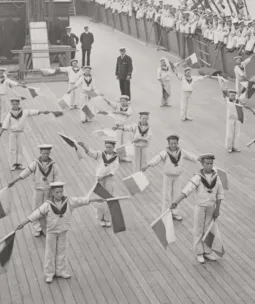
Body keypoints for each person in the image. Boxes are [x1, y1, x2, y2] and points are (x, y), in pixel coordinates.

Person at [16, 182, 105, 283]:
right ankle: (49, 274)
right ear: (52, 193)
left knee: (62, 251)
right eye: (57, 192)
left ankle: (61, 271)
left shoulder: (69, 201)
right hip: (51, 232)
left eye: (61, 192)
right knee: (50, 253)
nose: (60, 194)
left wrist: (93, 199)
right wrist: (24, 222)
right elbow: (36, 213)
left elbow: (80, 200)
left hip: (63, 231)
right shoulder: (48, 205)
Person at [171, 154, 224, 263]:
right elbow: (187, 190)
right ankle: (199, 252)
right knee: (198, 229)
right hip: (200, 206)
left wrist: (217, 209)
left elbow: (220, 194)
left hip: (211, 206)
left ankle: (207, 251)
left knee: (208, 229)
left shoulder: (216, 177)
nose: (209, 166)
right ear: (202, 164)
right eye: (207, 163)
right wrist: (176, 201)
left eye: (211, 163)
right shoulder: (198, 177)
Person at [142, 134, 198, 221]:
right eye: (171, 143)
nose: (173, 145)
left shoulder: (182, 152)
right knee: (166, 195)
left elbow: (191, 156)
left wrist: (199, 159)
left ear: (177, 143)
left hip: (177, 176)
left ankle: (175, 212)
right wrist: (148, 165)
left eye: (175, 143)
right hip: (167, 177)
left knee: (176, 195)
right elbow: (157, 159)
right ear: (168, 144)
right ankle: (165, 213)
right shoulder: (165, 152)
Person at [8, 144, 59, 236]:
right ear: (40, 153)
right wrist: (14, 181)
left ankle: (45, 228)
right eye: (44, 153)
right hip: (38, 190)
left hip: (48, 190)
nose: (46, 155)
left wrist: (55, 192)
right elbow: (26, 172)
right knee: (36, 209)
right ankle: (37, 229)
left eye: (47, 153)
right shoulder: (35, 164)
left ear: (50, 153)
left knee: (47, 210)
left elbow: (56, 179)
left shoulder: (53, 165)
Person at [78, 138, 119, 227]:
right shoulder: (101, 154)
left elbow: (113, 171)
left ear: (113, 147)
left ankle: (107, 218)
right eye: (107, 147)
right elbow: (91, 153)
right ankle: (101, 218)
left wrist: (103, 176)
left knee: (108, 198)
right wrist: (84, 146)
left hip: (108, 180)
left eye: (110, 147)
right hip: (99, 180)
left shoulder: (116, 158)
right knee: (99, 198)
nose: (108, 149)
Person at [0, 98, 50, 170]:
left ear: (19, 104)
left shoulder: (24, 112)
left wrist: (42, 112)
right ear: (12, 105)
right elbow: (5, 123)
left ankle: (19, 164)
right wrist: (1, 133)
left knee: (20, 149)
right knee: (12, 149)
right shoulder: (10, 113)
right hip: (12, 133)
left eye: (16, 104)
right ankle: (13, 164)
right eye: (14, 104)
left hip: (20, 133)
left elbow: (32, 112)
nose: (15, 105)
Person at [104, 95, 133, 161]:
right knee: (118, 141)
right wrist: (104, 98)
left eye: (124, 101)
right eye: (121, 101)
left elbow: (127, 113)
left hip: (125, 127)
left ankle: (125, 156)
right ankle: (119, 156)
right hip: (118, 127)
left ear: (127, 101)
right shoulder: (117, 106)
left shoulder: (130, 108)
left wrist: (118, 112)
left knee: (125, 141)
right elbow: (110, 103)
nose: (122, 102)